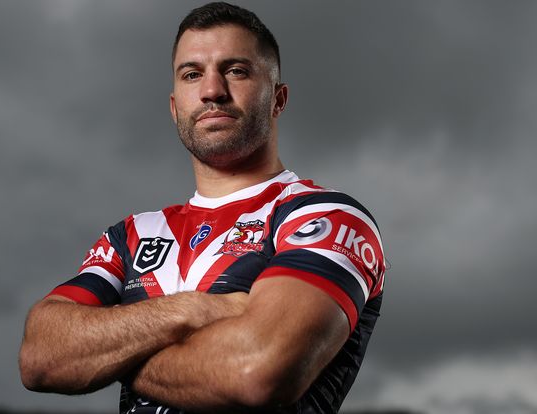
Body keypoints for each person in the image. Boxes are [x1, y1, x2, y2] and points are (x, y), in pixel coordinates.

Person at [19, 2, 385, 413]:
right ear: (176, 107)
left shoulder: (324, 215)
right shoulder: (133, 234)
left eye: (236, 70)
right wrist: (198, 310)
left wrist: (109, 354)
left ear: (278, 99)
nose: (212, 90)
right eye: (192, 74)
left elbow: (255, 372)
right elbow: (41, 355)